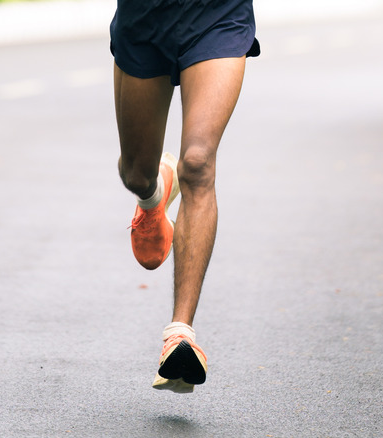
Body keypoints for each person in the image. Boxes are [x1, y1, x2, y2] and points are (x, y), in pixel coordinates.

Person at [109, 0, 260, 393]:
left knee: (198, 164)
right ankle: (152, 193)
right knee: (134, 173)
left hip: (217, 15)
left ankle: (180, 335)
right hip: (144, 19)